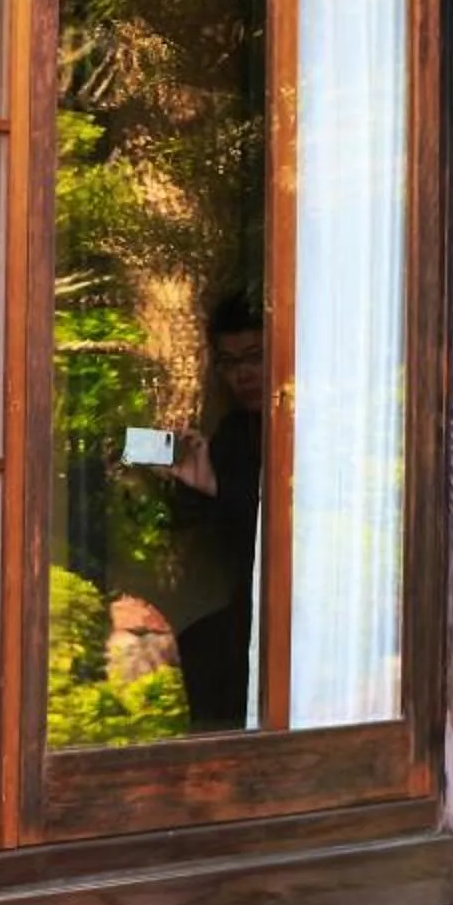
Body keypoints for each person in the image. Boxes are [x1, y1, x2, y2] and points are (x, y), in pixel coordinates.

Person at [165, 295, 267, 732]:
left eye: (254, 357)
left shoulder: (314, 425)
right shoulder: (232, 433)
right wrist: (194, 488)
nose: (241, 374)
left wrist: (220, 490)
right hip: (245, 597)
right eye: (227, 362)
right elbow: (207, 531)